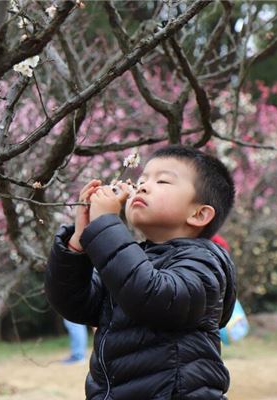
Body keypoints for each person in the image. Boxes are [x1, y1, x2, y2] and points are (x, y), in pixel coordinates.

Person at [45, 145, 237, 399]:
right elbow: (73, 303)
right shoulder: (128, 261)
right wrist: (79, 241)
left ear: (199, 213)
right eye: (142, 179)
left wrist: (106, 228)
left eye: (163, 181)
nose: (143, 186)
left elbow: (154, 297)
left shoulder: (204, 262)